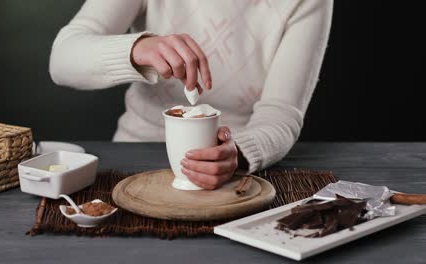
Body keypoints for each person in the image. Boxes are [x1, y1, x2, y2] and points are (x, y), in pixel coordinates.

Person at [49, 0, 333, 190]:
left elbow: (281, 114)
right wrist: (137, 49)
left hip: (231, 177)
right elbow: (62, 60)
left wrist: (241, 154)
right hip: (133, 160)